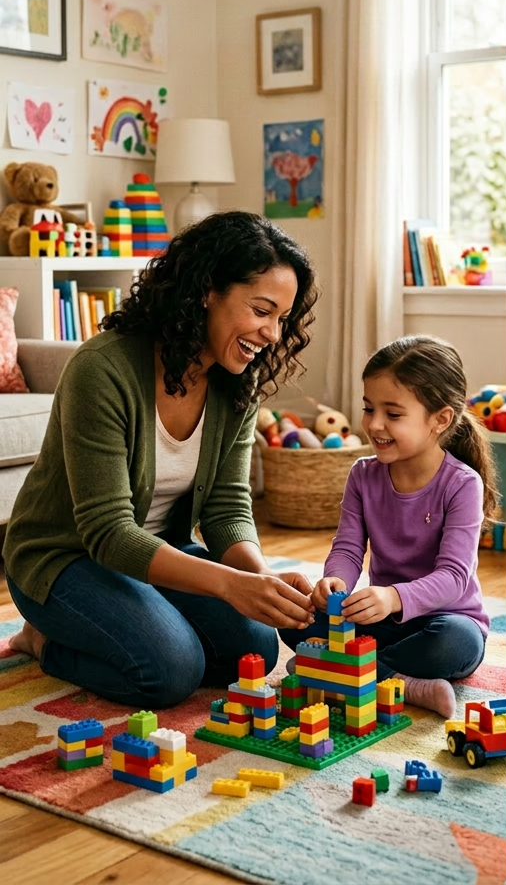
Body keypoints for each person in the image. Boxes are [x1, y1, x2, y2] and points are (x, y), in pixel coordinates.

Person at [4, 211, 320, 707]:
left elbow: (227, 507)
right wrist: (227, 584)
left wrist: (258, 581)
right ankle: (41, 640)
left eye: (281, 318)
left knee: (254, 647)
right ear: (207, 291)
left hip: (156, 556)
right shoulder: (102, 371)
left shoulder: (238, 380)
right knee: (171, 671)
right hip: (65, 559)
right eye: (262, 311)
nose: (273, 334)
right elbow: (108, 533)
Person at [279, 335, 497, 719]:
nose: (374, 424)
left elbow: (453, 577)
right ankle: (394, 680)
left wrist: (394, 598)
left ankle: (337, 671)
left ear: (440, 419)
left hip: (445, 620)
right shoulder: (363, 475)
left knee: (454, 644)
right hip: (381, 621)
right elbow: (348, 548)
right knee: (295, 620)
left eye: (393, 414)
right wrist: (336, 583)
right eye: (368, 408)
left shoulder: (462, 484)